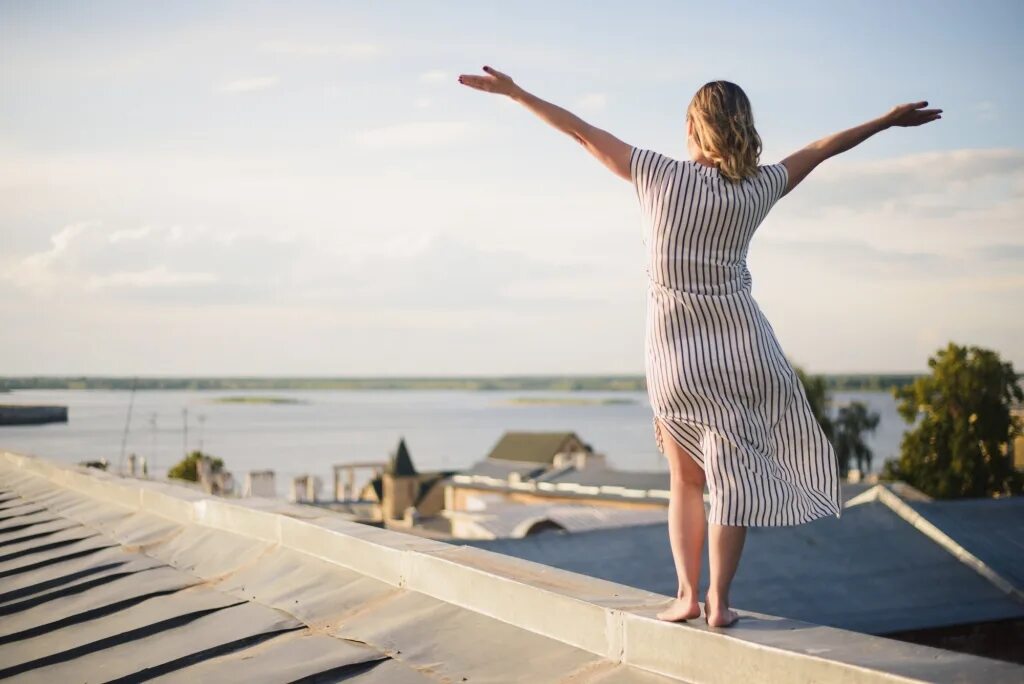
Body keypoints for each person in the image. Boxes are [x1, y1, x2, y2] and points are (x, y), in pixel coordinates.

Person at [458, 66, 941, 628]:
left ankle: (686, 595)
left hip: (674, 359)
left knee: (686, 480)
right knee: (731, 480)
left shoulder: (657, 175)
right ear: (742, 128)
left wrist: (517, 94)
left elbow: (580, 131)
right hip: (742, 351)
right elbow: (820, 149)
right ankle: (719, 602)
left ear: (693, 125)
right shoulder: (758, 187)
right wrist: (886, 121)